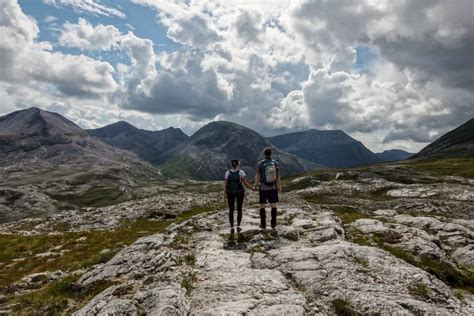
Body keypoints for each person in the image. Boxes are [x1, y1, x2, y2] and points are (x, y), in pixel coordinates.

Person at [254, 147, 281, 234]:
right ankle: (273, 224)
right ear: (271, 153)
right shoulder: (275, 163)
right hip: (273, 187)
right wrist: (279, 186)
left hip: (263, 188)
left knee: (262, 205)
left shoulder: (260, 163)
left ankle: (263, 224)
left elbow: (258, 175)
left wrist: (255, 185)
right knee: (273, 205)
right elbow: (278, 176)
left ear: (264, 153)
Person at [224, 158, 255, 234]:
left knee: (231, 210)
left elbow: (226, 184)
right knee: (239, 209)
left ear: (231, 165)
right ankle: (238, 226)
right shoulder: (241, 172)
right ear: (238, 164)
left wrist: (225, 194)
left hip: (230, 193)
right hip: (239, 193)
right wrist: (252, 188)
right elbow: (245, 183)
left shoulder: (227, 173)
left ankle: (231, 227)